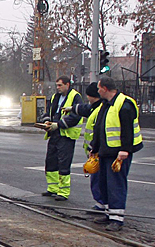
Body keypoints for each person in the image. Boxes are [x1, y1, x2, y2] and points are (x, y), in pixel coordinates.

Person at [88, 76, 143, 232]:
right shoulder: (106, 105)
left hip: (118, 153)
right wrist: (95, 148)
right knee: (104, 184)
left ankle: (117, 219)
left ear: (105, 89)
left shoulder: (124, 105)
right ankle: (108, 213)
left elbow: (127, 130)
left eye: (99, 88)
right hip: (106, 151)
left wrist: (125, 150)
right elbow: (100, 128)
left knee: (116, 185)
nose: (97, 91)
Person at [62, 82, 106, 214]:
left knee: (99, 180)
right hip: (94, 151)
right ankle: (100, 204)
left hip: (98, 151)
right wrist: (73, 109)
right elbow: (84, 108)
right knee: (96, 179)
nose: (88, 99)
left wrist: (94, 147)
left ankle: (103, 206)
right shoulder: (96, 107)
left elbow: (99, 130)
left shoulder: (101, 109)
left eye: (89, 96)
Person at [39, 77, 81, 201]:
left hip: (66, 134)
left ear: (67, 85)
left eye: (60, 85)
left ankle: (63, 191)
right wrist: (46, 121)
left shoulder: (75, 97)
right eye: (57, 85)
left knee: (64, 163)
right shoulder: (55, 97)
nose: (57, 87)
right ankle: (53, 188)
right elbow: (49, 112)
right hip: (54, 133)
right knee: (51, 161)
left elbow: (75, 117)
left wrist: (59, 124)